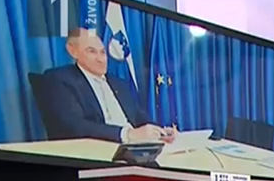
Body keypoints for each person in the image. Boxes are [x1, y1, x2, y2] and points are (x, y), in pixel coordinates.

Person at [40, 28, 175, 143]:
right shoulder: (60, 79)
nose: (101, 59)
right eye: (91, 51)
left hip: (135, 146)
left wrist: (160, 131)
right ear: (73, 51)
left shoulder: (119, 83)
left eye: (103, 52)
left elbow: (138, 116)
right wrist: (126, 134)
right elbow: (75, 125)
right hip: (100, 148)